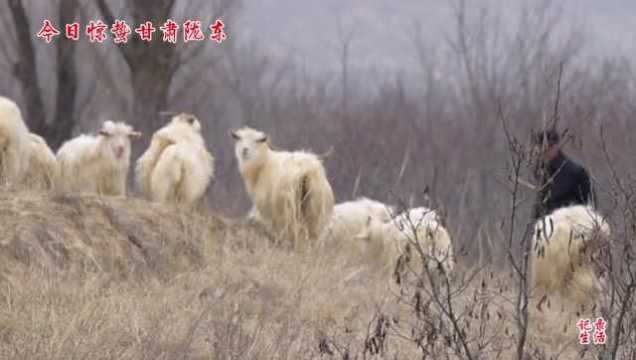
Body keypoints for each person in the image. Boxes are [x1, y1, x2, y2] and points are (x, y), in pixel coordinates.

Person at [531, 128, 594, 220]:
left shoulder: (575, 172)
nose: (544, 151)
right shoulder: (540, 171)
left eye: (548, 147)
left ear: (555, 146)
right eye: (541, 148)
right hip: (546, 224)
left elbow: (588, 203)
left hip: (571, 223)